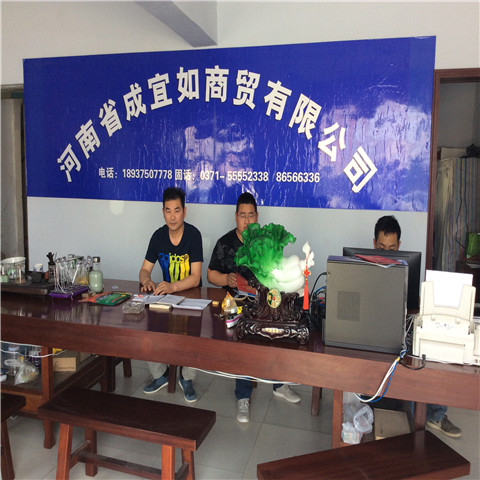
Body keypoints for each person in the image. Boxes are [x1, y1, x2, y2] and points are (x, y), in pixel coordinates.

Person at [208, 192, 301, 423]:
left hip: (265, 302)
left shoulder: (266, 242)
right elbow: (210, 275)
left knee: (279, 330)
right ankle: (243, 396)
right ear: (235, 217)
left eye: (251, 215)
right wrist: (226, 279)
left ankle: (279, 384)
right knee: (243, 343)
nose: (247, 221)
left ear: (257, 217)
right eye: (242, 215)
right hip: (236, 304)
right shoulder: (224, 243)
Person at [374, 215, 462, 438]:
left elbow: (415, 304)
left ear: (399, 245)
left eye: (392, 248)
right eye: (382, 248)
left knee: (425, 354)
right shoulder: (364, 266)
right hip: (374, 330)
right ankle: (416, 415)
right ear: (374, 244)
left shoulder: (407, 266)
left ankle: (434, 414)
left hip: (403, 327)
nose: (388, 253)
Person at [139, 187, 202, 402]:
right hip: (167, 297)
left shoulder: (193, 235)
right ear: (163, 212)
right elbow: (144, 270)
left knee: (193, 335)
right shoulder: (158, 236)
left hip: (192, 298)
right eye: (168, 211)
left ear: (185, 211)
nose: (172, 217)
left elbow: (195, 277)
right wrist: (147, 280)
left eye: (177, 210)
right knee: (147, 326)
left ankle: (187, 378)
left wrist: (173, 287)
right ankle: (161, 375)